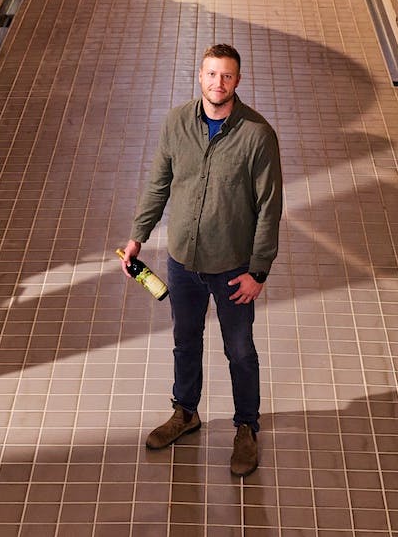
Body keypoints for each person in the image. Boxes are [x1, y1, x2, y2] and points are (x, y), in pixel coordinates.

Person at [121, 43, 283, 477]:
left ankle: (247, 427)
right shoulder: (177, 123)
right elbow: (158, 183)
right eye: (212, 74)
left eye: (227, 76)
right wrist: (138, 236)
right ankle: (185, 412)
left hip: (233, 268)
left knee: (240, 351)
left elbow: (270, 208)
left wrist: (259, 271)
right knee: (185, 341)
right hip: (183, 262)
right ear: (200, 75)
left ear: (238, 80)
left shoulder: (257, 135)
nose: (218, 83)